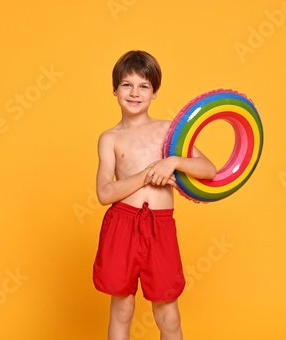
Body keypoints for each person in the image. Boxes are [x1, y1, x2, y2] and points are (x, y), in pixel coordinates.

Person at [93, 50, 217, 340]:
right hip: (122, 226)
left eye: (143, 86)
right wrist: (148, 173)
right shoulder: (109, 138)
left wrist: (172, 161)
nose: (134, 93)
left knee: (167, 312)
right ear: (114, 89)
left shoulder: (167, 131)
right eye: (127, 85)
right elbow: (104, 193)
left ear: (154, 92)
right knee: (122, 308)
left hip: (160, 228)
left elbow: (209, 169)